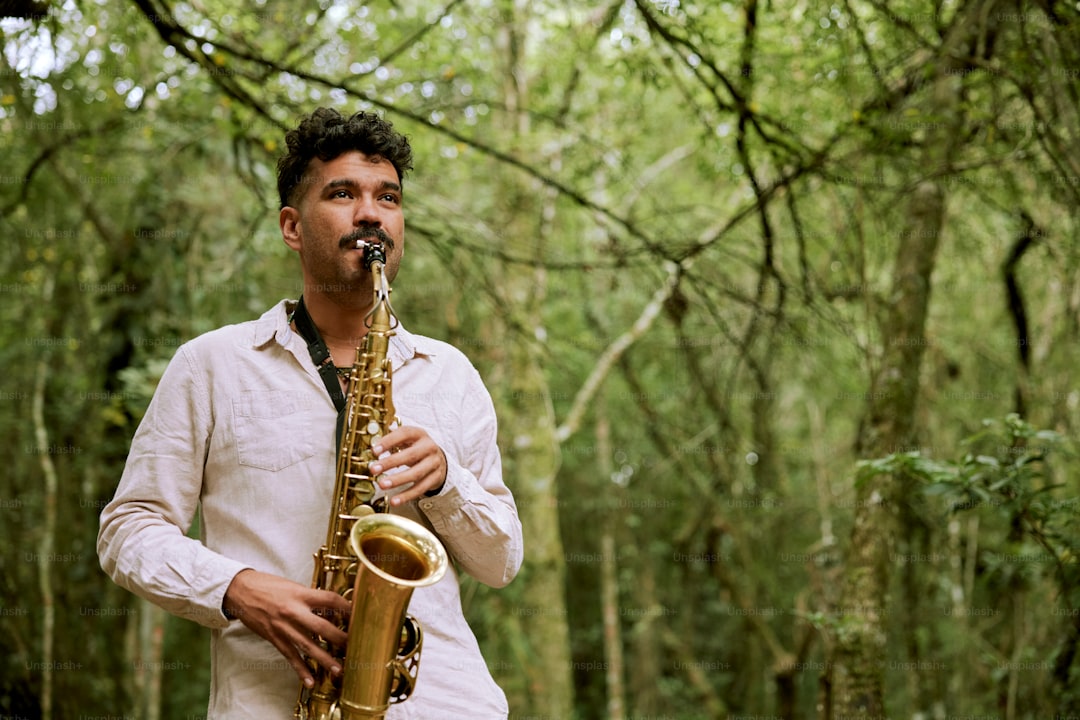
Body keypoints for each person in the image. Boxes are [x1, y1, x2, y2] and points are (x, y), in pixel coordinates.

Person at [97, 107, 523, 719]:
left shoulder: (451, 373)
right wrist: (236, 589)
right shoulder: (211, 364)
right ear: (292, 226)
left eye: (389, 197)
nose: (371, 213)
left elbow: (501, 560)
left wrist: (446, 481)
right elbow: (128, 530)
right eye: (343, 193)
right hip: (277, 704)